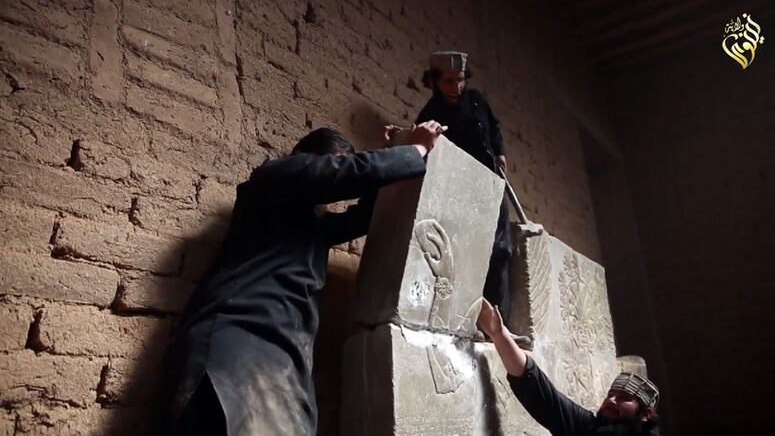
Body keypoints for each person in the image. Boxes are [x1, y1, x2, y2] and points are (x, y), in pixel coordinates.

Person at [160, 122, 446, 436]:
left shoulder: (311, 230)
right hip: (238, 341)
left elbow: (363, 213)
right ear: (306, 157)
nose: (328, 197)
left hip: (280, 362)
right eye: (332, 162)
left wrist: (398, 155)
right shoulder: (273, 177)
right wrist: (416, 149)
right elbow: (344, 175)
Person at [415, 51, 523, 343]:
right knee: (468, 255)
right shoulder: (429, 116)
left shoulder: (475, 100)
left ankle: (499, 324)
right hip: (461, 194)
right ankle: (471, 321)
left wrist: (499, 152)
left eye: (460, 80)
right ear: (435, 81)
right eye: (449, 81)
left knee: (501, 251)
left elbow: (494, 126)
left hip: (491, 185)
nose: (456, 87)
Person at [477, 298, 661, 436]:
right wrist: (499, 334)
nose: (611, 401)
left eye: (623, 398)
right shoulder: (586, 428)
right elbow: (537, 389)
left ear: (645, 414)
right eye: (610, 395)